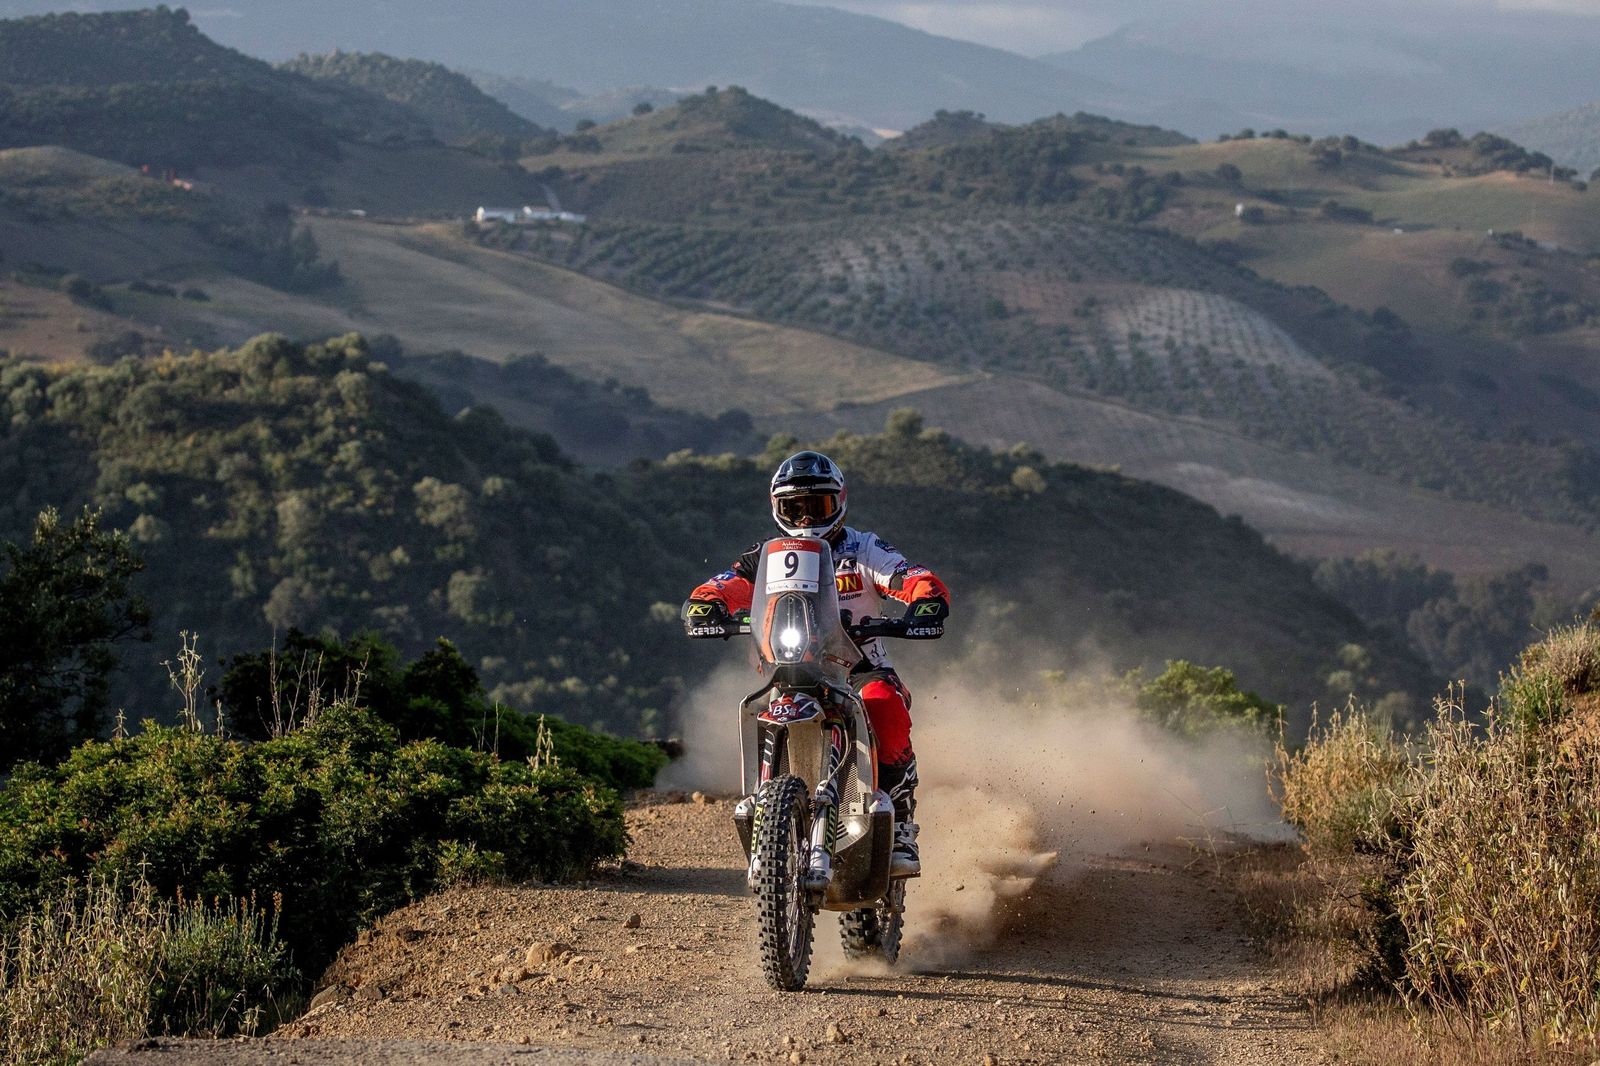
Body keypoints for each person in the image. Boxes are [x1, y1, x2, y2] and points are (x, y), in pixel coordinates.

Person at [681, 451, 950, 877]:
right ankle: (764, 806)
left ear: (839, 501)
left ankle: (900, 823)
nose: (806, 518)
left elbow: (906, 574)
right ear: (777, 509)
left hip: (859, 665)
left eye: (817, 506)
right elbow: (728, 583)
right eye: (795, 508)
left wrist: (925, 597)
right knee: (757, 707)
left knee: (883, 705)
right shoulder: (765, 558)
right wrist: (705, 602)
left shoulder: (863, 548)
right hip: (787, 664)